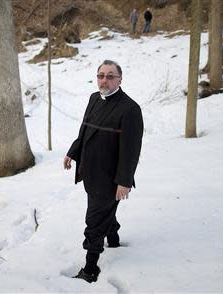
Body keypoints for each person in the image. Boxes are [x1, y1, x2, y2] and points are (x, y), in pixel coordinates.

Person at [63, 60, 143, 283]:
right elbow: (85, 130)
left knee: (94, 221)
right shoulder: (93, 98)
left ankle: (90, 269)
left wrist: (124, 181)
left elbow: (131, 150)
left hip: (110, 178)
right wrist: (73, 152)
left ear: (120, 79)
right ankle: (114, 240)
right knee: (104, 212)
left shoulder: (130, 109)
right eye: (100, 75)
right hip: (90, 171)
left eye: (110, 76)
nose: (104, 80)